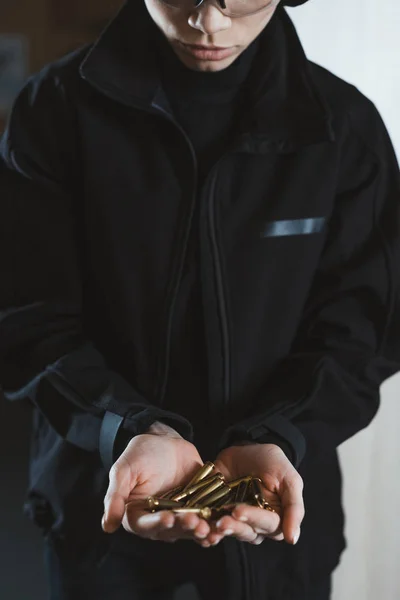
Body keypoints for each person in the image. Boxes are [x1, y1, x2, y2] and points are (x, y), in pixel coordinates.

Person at [0, 0, 399, 598]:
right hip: (100, 515)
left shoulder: (344, 130)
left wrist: (280, 434)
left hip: (277, 526)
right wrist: (127, 428)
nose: (208, 23)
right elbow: (26, 315)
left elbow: (362, 332)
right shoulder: (52, 113)